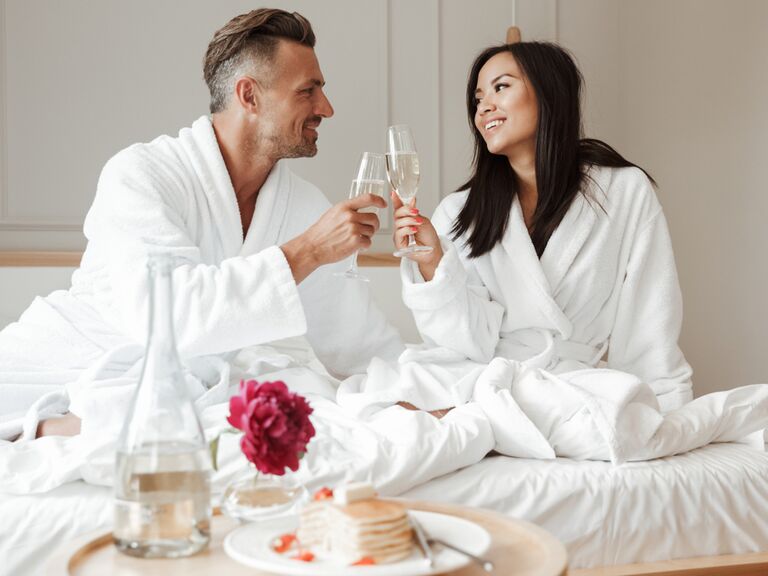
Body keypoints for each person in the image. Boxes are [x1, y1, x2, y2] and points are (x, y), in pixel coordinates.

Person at [0, 8, 403, 441]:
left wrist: (417, 392)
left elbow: (355, 342)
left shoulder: (304, 206)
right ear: (248, 96)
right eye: (308, 91)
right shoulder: (140, 174)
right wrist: (308, 252)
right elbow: (170, 316)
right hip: (67, 361)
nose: (326, 107)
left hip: (176, 390)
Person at [392, 41, 693, 413]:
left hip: (572, 386)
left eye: (501, 87)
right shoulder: (458, 213)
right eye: (478, 98)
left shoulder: (622, 190)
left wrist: (660, 405)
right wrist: (432, 262)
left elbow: (649, 315)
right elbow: (461, 342)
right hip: (482, 375)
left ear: (549, 92)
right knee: (385, 399)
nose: (484, 107)